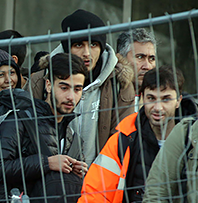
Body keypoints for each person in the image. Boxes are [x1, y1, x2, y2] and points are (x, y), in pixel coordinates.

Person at [66, 65, 184, 203]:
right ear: (141, 98)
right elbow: (96, 196)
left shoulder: (197, 139)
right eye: (151, 98)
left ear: (179, 100)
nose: (158, 108)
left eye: (166, 99)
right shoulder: (123, 141)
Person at [0, 53, 88, 203]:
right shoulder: (20, 119)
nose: (71, 96)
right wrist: (47, 163)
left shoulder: (72, 135)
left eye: (77, 89)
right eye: (64, 87)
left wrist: (78, 174)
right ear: (48, 85)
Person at [27, 9, 135, 165]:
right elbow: (25, 134)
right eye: (78, 44)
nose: (87, 53)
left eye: (93, 44)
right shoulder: (41, 80)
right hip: (50, 179)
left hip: (99, 182)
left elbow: (121, 140)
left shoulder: (119, 84)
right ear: (66, 47)